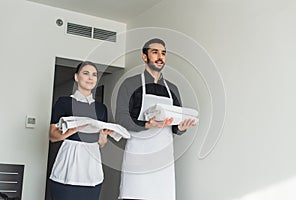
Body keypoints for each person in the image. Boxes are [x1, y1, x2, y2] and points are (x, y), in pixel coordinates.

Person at [116, 38, 196, 200]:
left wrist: (181, 128)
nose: (160, 56)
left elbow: (175, 124)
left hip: (163, 157)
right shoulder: (130, 84)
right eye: (155, 52)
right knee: (135, 195)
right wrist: (147, 124)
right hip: (138, 155)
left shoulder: (172, 89)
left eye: (163, 53)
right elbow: (121, 118)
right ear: (144, 57)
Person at [48, 61, 112, 200]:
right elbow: (52, 136)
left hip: (92, 164)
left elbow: (101, 144)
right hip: (69, 161)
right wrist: (76, 127)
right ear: (76, 77)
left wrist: (103, 136)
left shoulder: (102, 108)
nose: (90, 78)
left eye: (94, 75)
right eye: (86, 73)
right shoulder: (64, 102)